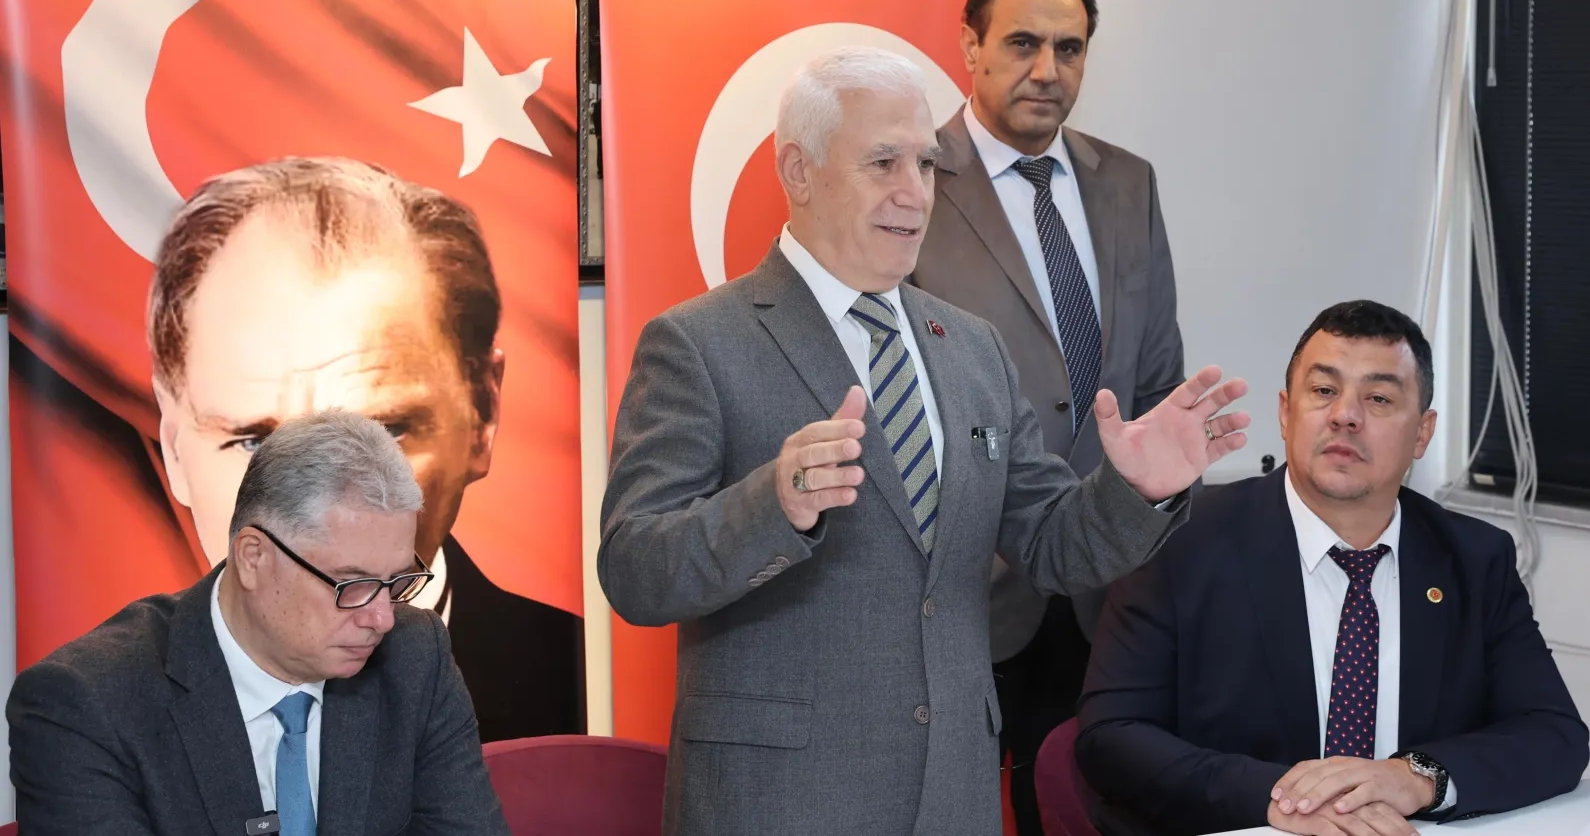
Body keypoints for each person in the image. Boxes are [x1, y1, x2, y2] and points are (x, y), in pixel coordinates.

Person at [599, 46, 1250, 836]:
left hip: (952, 795)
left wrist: (1137, 489)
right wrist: (773, 503)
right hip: (778, 802)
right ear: (798, 171)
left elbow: (1051, 546)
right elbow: (634, 570)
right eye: (883, 162)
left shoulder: (971, 348)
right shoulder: (699, 343)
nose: (915, 193)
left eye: (927, 164)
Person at [1075, 301, 1588, 836]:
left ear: (1422, 433)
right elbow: (1110, 736)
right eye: (1323, 391)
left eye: (1379, 398)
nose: (1346, 415)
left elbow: (1554, 733)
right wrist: (1281, 800)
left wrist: (1416, 777)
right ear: (1285, 412)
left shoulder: (1476, 560)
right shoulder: (1179, 543)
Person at [147, 156, 580, 741]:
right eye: (254, 441)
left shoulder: (556, 692)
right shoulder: (100, 708)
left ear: (481, 412)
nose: (325, 514)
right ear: (174, 447)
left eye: (383, 431)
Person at [912, 0, 1184, 834]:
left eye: (1069, 49)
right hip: (963, 587)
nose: (1046, 70)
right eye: (1021, 43)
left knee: (1085, 814)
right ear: (969, 47)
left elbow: (1153, 381)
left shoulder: (1128, 182)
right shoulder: (908, 182)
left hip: (1108, 589)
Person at [7, 410, 510, 836]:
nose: (382, 618)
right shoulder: (85, 704)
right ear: (253, 557)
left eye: (395, 581)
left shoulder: (415, 655)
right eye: (351, 584)